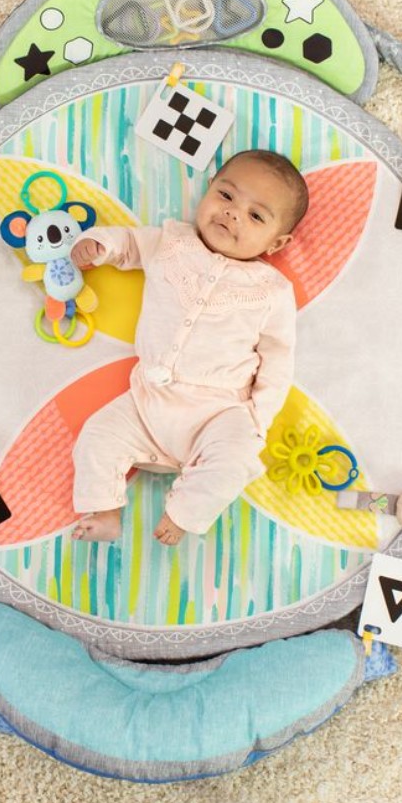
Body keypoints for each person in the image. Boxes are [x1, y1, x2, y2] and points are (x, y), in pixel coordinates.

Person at [69, 150, 308, 545]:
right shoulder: (171, 242)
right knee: (97, 434)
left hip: (220, 412)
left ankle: (184, 513)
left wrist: (257, 419)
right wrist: (99, 244)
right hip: (147, 400)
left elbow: (278, 358)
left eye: (255, 216)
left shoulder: (272, 291)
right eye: (226, 195)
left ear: (277, 241)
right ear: (208, 189)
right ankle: (105, 510)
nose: (232, 213)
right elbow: (128, 243)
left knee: (237, 461)